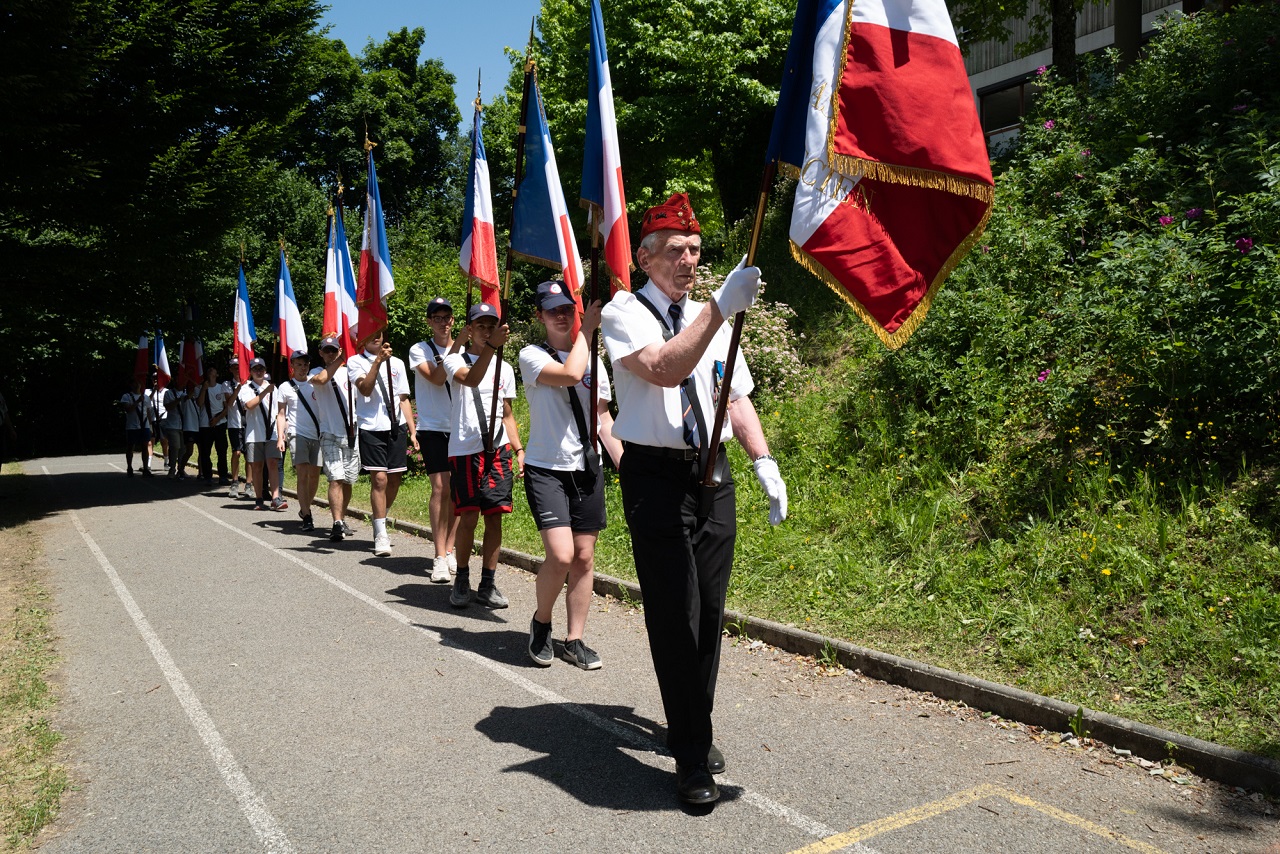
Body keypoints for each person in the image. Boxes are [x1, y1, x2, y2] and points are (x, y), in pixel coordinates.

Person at [600, 193, 788, 806]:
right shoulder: (623, 312)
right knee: (674, 614)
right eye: (676, 250)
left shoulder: (710, 317)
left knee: (709, 610)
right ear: (647, 257)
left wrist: (763, 459)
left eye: (696, 251)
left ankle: (692, 726)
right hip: (655, 477)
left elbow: (733, 395)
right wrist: (717, 310)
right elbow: (661, 368)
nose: (688, 260)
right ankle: (690, 757)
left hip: (713, 472)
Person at [519, 282, 623, 670]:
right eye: (552, 310)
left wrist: (625, 464)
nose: (561, 315)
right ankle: (541, 622)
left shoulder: (594, 359)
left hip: (586, 467)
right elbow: (568, 374)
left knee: (583, 557)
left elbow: (602, 419)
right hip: (547, 468)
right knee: (560, 555)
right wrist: (589, 331)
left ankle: (574, 639)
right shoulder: (531, 355)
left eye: (567, 308)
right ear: (540, 317)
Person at [442, 302, 522, 609]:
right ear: (469, 330)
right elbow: (472, 378)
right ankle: (462, 576)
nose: (486, 331)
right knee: (469, 516)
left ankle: (488, 582)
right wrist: (491, 347)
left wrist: (519, 449)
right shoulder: (454, 360)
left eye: (492, 326)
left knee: (495, 517)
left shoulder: (505, 367)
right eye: (480, 326)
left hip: (498, 449)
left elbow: (507, 413)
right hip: (466, 450)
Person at [348, 330, 418, 556]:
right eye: (369, 334)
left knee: (395, 479)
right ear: (360, 339)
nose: (375, 336)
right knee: (379, 479)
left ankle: (381, 516)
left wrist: (413, 431)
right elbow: (365, 389)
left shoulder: (397, 363)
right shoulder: (355, 362)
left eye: (378, 332)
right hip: (371, 426)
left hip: (395, 426)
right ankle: (380, 533)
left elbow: (403, 398)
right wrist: (378, 361)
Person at [409, 296, 462, 583]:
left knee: (457, 492)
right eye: (437, 318)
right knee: (440, 488)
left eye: (447, 317)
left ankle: (451, 547)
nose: (443, 322)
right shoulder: (419, 349)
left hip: (461, 427)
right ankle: (439, 555)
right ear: (429, 321)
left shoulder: (464, 348)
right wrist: (456, 347)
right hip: (432, 427)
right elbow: (438, 378)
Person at [309, 336, 359, 542]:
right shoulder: (315, 373)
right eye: (327, 350)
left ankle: (343, 517)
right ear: (320, 353)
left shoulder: (350, 372)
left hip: (351, 433)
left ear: (340, 350)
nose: (330, 353)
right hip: (329, 433)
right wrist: (342, 358)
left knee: (348, 480)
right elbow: (321, 380)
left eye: (334, 350)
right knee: (335, 478)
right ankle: (336, 522)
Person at [277, 350, 323, 531]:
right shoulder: (285, 387)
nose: (302, 368)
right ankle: (307, 515)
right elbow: (281, 415)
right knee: (303, 474)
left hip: (317, 434)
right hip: (297, 433)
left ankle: (305, 508)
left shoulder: (316, 383)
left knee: (315, 476)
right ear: (292, 366)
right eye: (299, 364)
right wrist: (281, 437)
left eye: (305, 364)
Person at [237, 357, 288, 511]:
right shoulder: (246, 388)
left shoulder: (274, 388)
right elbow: (249, 405)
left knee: (273, 464)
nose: (258, 371)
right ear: (251, 371)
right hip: (254, 434)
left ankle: (275, 498)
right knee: (257, 467)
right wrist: (265, 392)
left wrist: (281, 433)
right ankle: (259, 498)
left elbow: (280, 411)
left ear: (265, 371)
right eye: (255, 369)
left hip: (272, 433)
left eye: (261, 369)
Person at [196, 365, 231, 483]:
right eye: (209, 371)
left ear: (216, 375)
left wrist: (217, 419)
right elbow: (199, 403)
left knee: (222, 451)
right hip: (205, 425)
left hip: (220, 423)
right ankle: (207, 476)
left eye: (213, 372)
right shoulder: (201, 388)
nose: (211, 373)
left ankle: (223, 476)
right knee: (205, 452)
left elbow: (227, 408)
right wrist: (204, 389)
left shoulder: (221, 388)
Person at [117, 376, 154, 476]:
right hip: (132, 426)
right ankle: (129, 467)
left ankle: (146, 468)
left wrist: (150, 426)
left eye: (139, 382)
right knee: (130, 447)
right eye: (135, 383)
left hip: (144, 425)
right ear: (131, 385)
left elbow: (148, 412)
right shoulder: (127, 396)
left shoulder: (145, 397)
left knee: (145, 446)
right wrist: (137, 402)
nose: (137, 384)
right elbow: (128, 410)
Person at [226, 358, 249, 498]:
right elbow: (229, 403)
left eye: (238, 367)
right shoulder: (227, 385)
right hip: (234, 424)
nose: (236, 369)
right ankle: (234, 482)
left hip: (248, 424)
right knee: (237, 453)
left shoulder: (250, 385)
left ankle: (249, 484)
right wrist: (238, 388)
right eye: (234, 367)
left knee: (249, 456)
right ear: (230, 369)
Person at [157, 382, 184, 477]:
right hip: (173, 425)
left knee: (183, 449)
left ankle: (181, 469)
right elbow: (168, 407)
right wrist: (178, 400)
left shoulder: (187, 392)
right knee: (175, 447)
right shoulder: (169, 393)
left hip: (185, 425)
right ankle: (172, 468)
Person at [175, 376, 200, 479]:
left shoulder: (198, 395)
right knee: (189, 451)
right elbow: (188, 396)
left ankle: (201, 473)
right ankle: (180, 469)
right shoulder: (184, 396)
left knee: (202, 451)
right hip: (189, 427)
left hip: (199, 426)